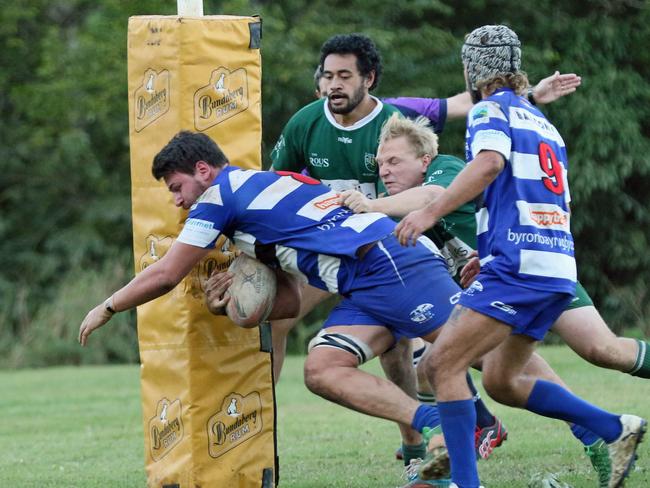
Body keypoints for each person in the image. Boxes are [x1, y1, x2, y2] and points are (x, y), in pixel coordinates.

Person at [78, 130, 463, 485]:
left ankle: (473, 424)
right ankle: (432, 427)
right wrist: (231, 306)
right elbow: (292, 302)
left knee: (481, 355)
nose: (177, 200)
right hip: (363, 283)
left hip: (387, 262)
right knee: (321, 369)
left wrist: (108, 307)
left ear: (202, 170)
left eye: (177, 188)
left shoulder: (218, 197)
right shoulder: (267, 192)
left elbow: (166, 273)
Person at [394, 25, 646, 488]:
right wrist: (486, 255)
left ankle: (465, 485)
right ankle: (614, 429)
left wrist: (430, 211)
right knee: (501, 381)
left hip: (520, 265)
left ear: (471, 69)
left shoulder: (488, 109)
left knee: (438, 366)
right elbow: (522, 193)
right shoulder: (539, 119)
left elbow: (489, 165)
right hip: (553, 264)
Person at [343, 113, 650, 486]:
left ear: (424, 160)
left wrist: (371, 205)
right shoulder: (402, 203)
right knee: (462, 368)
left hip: (528, 268)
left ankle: (489, 444)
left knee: (604, 350)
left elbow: (433, 196)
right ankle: (591, 433)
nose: (385, 172)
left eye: (394, 161)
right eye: (380, 165)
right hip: (500, 280)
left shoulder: (445, 168)